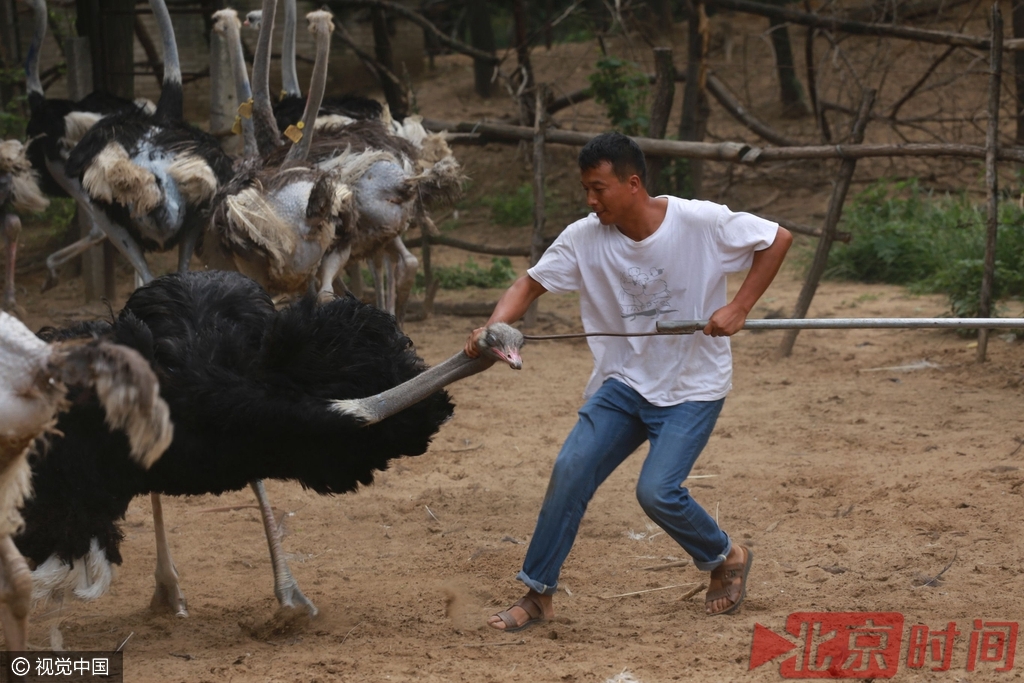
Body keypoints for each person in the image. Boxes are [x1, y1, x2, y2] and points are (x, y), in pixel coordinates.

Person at [465, 132, 792, 631]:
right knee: (570, 470)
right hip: (622, 382)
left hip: (692, 383)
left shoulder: (700, 222)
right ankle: (536, 596)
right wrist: (494, 329)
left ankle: (725, 556)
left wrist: (739, 306)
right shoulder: (583, 237)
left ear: (633, 183)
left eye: (599, 189)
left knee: (657, 492)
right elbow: (528, 284)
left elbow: (776, 238)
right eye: (586, 191)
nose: (591, 201)